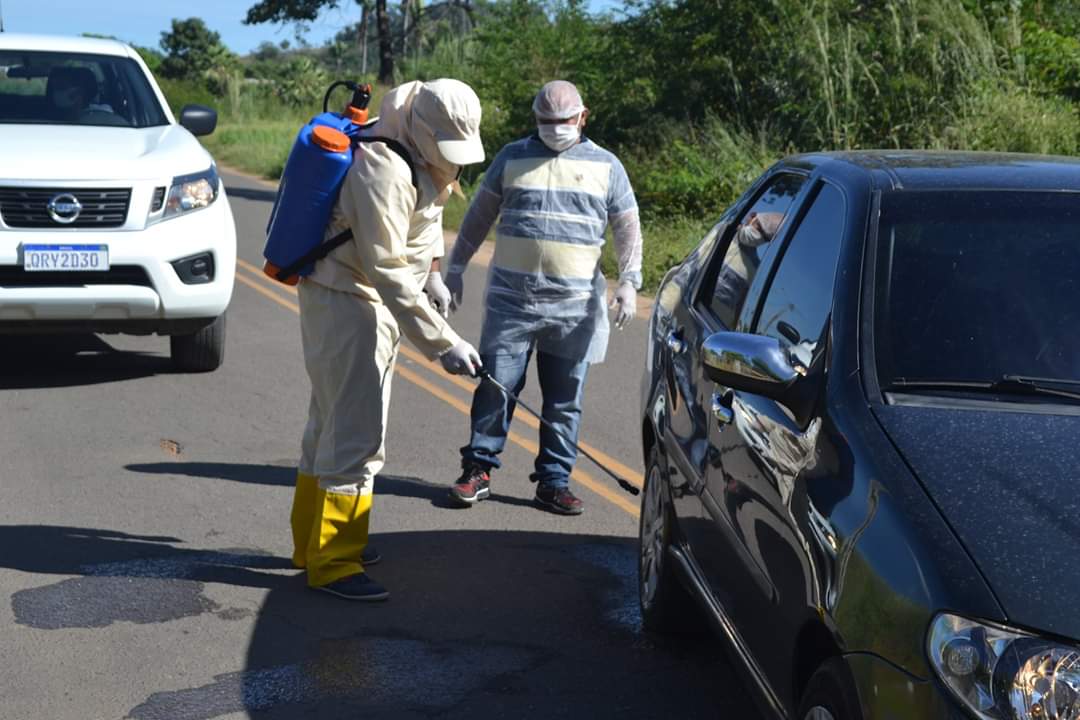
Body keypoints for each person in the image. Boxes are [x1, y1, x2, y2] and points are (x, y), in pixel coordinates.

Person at [290, 79, 485, 601]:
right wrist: (443, 343)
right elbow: (386, 267)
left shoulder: (415, 149)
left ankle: (313, 544)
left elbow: (425, 225)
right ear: (423, 129)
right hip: (349, 301)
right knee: (355, 433)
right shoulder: (382, 165)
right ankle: (334, 561)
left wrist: (435, 276)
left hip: (362, 301)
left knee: (330, 423)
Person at [443, 80, 643, 516]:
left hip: (573, 309)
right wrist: (455, 266)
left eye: (564, 121)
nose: (555, 129)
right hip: (511, 303)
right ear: (534, 119)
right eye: (546, 121)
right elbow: (479, 214)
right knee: (496, 385)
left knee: (564, 399)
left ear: (583, 117)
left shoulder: (606, 165)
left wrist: (630, 278)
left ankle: (554, 481)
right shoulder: (512, 157)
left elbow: (626, 222)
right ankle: (478, 468)